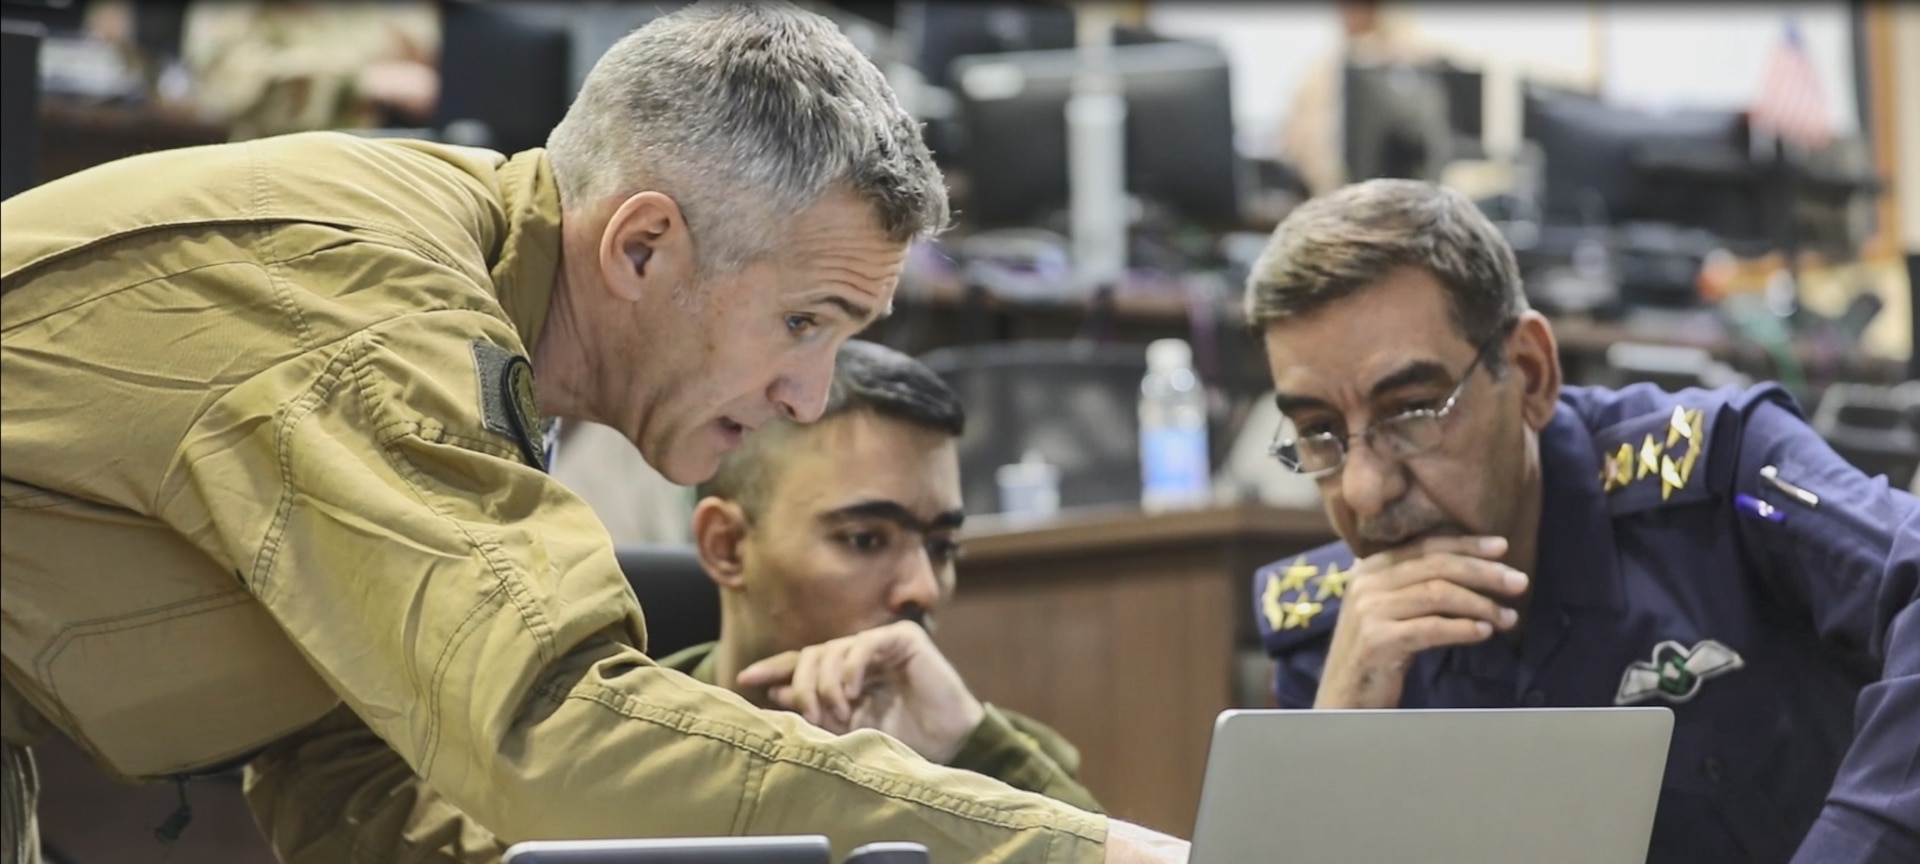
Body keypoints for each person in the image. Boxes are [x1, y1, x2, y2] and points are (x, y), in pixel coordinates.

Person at [0, 4, 1187, 864]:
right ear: (640, 247)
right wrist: (1063, 852)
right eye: (804, 322)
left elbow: (357, 774)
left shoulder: (469, 303)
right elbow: (545, 728)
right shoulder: (374, 314)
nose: (812, 397)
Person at [1243, 179, 1917, 864]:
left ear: (1531, 375)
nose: (1362, 490)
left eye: (1413, 411)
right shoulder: (1334, 645)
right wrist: (1332, 748)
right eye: (1319, 431)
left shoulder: (1719, 476)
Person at [666, 338, 1099, 810]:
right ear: (726, 546)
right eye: (865, 539)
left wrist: (967, 750)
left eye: (941, 547)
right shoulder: (627, 743)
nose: (925, 589)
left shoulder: (989, 757)